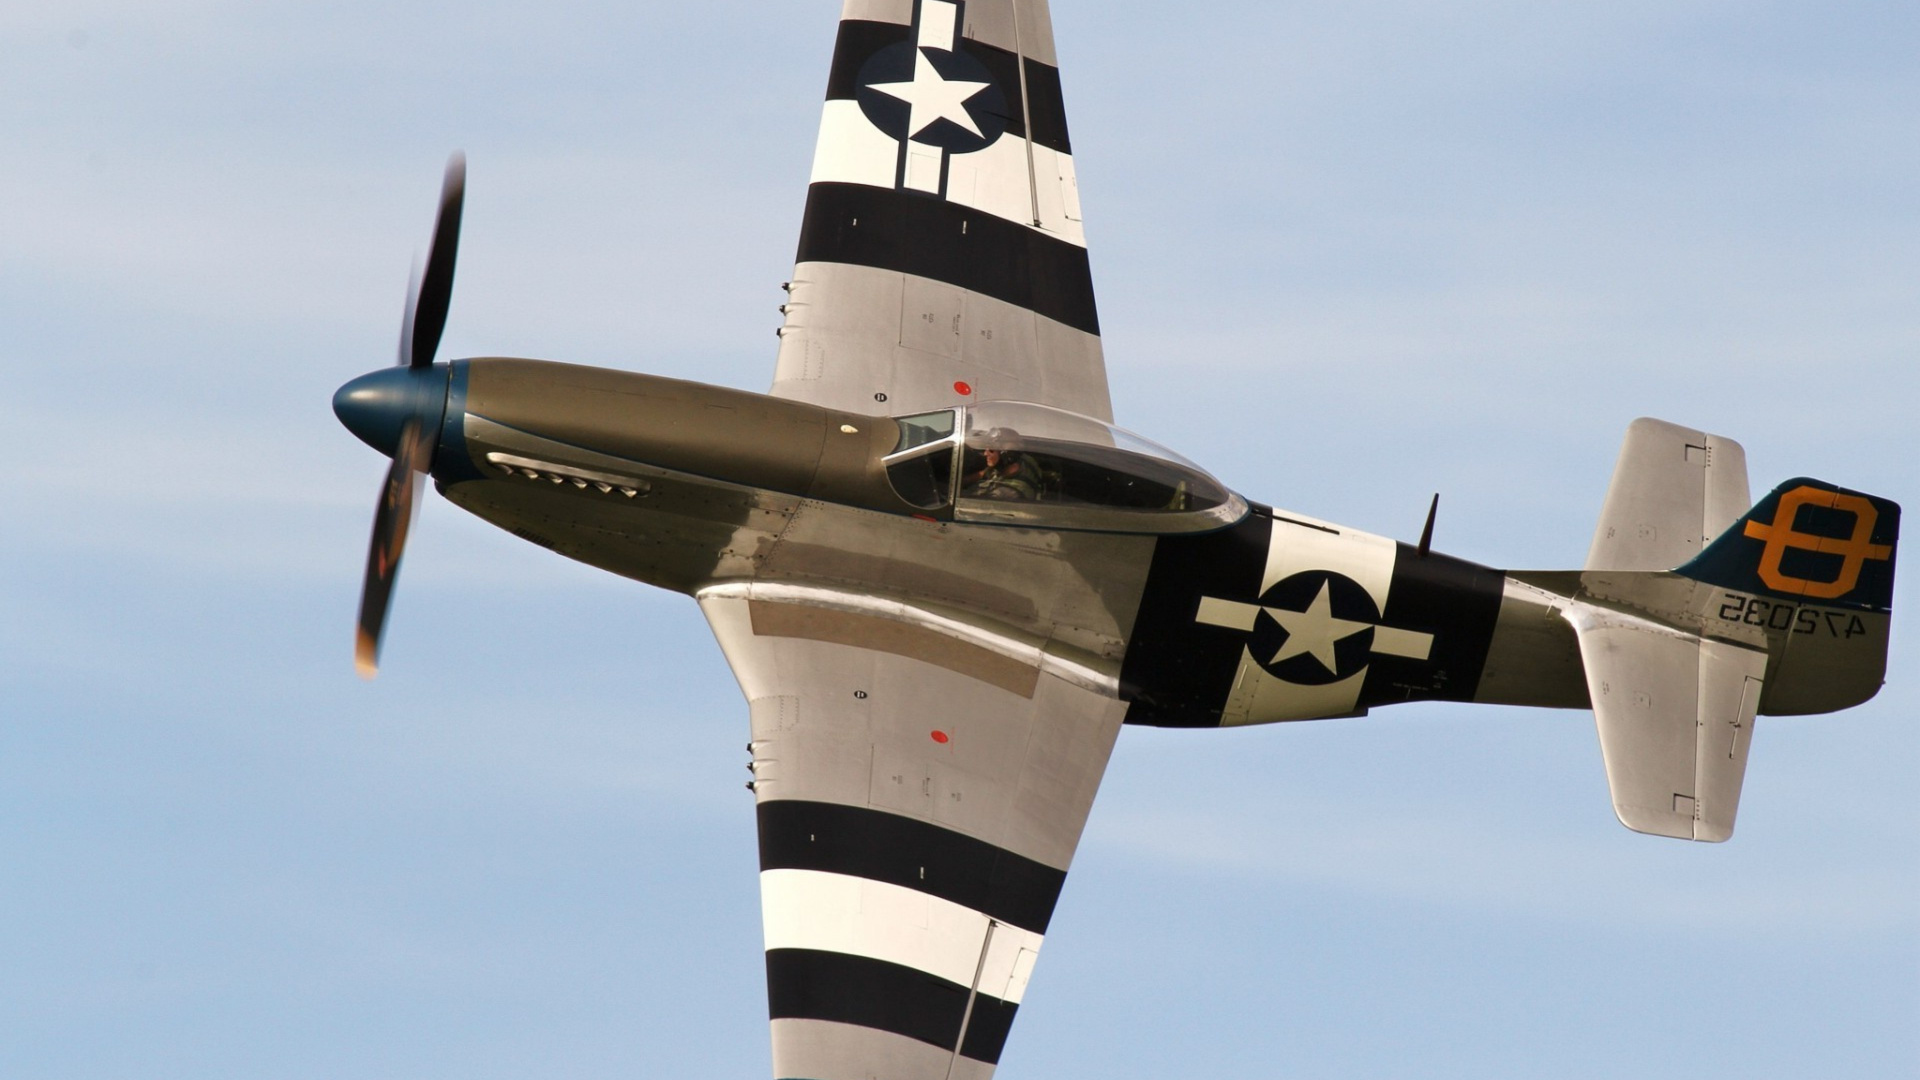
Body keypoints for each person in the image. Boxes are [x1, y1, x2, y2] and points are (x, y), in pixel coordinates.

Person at [962, 445, 1042, 501]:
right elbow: (981, 474)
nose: (985, 453)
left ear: (1005, 454)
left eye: (991, 450)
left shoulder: (1003, 493)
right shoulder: (1024, 461)